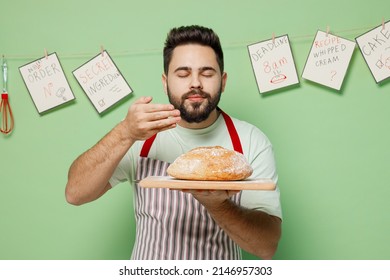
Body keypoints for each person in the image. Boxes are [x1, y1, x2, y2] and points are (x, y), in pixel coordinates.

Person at [65, 25, 282, 260]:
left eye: (207, 73)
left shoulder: (250, 140)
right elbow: (76, 193)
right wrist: (124, 133)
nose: (195, 83)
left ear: (223, 80)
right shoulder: (140, 135)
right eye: (183, 73)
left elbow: (266, 246)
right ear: (165, 81)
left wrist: (218, 204)